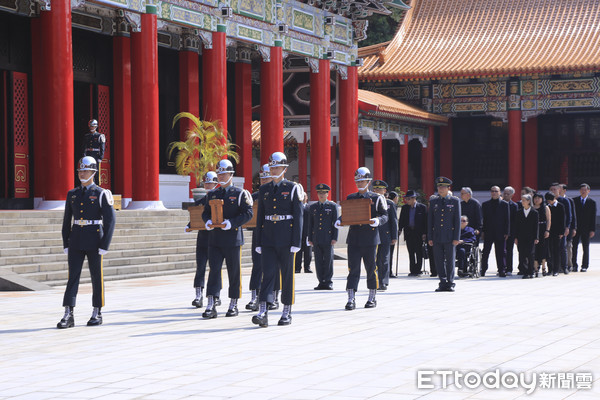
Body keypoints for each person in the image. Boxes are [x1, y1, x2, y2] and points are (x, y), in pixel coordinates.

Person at [57, 156, 116, 329]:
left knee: (96, 277)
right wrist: (65, 242)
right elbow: (67, 219)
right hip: (75, 239)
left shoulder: (101, 194)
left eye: (86, 170)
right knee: (72, 277)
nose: (82, 173)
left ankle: (97, 311)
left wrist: (105, 244)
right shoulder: (72, 194)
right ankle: (68, 313)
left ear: (93, 172)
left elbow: (111, 220)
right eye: (80, 171)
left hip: (94, 239)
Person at [253, 152, 303, 327]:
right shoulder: (264, 189)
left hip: (286, 238)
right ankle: (263, 311)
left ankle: (286, 311)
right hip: (268, 238)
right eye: (272, 167)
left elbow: (298, 217)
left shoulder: (292, 188)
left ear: (284, 169)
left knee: (287, 276)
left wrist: (296, 242)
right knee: (267, 275)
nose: (274, 170)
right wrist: (258, 241)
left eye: (277, 167)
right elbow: (260, 217)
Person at [201, 160, 253, 318]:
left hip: (232, 238)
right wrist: (208, 222)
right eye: (219, 174)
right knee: (214, 271)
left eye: (225, 173)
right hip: (215, 239)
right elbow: (205, 212)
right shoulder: (213, 194)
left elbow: (248, 213)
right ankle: (211, 302)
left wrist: (231, 223)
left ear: (231, 174)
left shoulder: (239, 193)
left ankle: (233, 302)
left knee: (234, 272)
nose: (222, 176)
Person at [335, 167, 388, 310]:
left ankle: (372, 296)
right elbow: (347, 214)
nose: (359, 183)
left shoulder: (377, 198)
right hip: (354, 239)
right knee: (353, 269)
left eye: (362, 180)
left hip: (370, 239)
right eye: (357, 181)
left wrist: (378, 220)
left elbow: (385, 215)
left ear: (368, 181)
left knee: (371, 268)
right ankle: (351, 298)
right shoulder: (351, 197)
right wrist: (339, 220)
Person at [246, 164, 279, 311]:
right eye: (262, 179)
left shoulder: (279, 193)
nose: (264, 181)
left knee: (274, 266)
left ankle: (274, 297)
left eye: (267, 178)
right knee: (257, 265)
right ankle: (254, 297)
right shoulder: (253, 198)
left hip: (275, 233)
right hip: (259, 234)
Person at [189, 171, 219, 309]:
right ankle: (198, 295)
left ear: (215, 183)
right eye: (206, 183)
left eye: (210, 183)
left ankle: (216, 296)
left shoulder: (219, 200)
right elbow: (195, 216)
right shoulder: (200, 202)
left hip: (215, 239)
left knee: (215, 269)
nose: (208, 185)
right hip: (202, 238)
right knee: (200, 267)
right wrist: (189, 225)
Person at [427, 177, 461, 292]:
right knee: (439, 260)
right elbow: (430, 221)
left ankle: (450, 282)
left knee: (450, 260)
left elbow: (457, 221)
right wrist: (430, 237)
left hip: (450, 236)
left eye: (443, 187)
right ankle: (442, 281)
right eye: (439, 186)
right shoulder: (433, 202)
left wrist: (456, 237)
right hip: (437, 236)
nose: (440, 189)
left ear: (448, 188)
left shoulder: (454, 201)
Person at [308, 183, 338, 290]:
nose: (321, 195)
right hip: (316, 238)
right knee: (319, 261)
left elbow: (335, 223)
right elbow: (310, 224)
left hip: (328, 238)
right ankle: (321, 281)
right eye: (319, 193)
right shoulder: (313, 207)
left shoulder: (332, 206)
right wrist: (310, 238)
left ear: (327, 194)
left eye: (323, 193)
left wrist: (335, 237)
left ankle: (328, 281)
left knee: (328, 260)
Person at [372, 180, 398, 289]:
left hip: (385, 235)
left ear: (385, 190)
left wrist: (394, 236)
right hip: (373, 235)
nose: (378, 191)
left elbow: (394, 220)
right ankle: (376, 281)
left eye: (380, 189)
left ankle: (383, 281)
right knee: (374, 260)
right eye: (376, 189)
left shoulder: (389, 203)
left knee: (384, 259)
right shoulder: (371, 201)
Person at [481, 186, 510, 277]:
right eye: (492, 191)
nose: (494, 193)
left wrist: (507, 232)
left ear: (499, 192)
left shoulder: (505, 204)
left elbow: (507, 219)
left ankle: (501, 270)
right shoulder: (485, 204)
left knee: (500, 252)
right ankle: (483, 269)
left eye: (496, 191)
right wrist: (483, 231)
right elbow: (483, 219)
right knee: (485, 252)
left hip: (500, 232)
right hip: (488, 232)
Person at [398, 190, 427, 276]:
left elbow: (425, 221)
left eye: (409, 199)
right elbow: (401, 220)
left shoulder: (422, 207)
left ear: (414, 198)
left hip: (418, 233)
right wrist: (399, 229)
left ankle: (418, 270)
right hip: (409, 232)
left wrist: (425, 233)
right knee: (411, 252)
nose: (407, 200)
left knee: (418, 252)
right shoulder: (405, 208)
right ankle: (412, 270)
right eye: (406, 199)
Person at [572, 183, 596, 272]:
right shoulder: (574, 201)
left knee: (585, 247)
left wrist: (592, 229)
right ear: (579, 191)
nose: (583, 191)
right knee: (574, 247)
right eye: (582, 190)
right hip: (576, 228)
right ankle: (574, 265)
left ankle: (584, 265)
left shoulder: (592, 202)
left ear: (588, 191)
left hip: (586, 228)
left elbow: (593, 217)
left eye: (585, 190)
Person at [514, 194, 539, 279]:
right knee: (522, 254)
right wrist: (516, 237)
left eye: (524, 200)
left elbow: (536, 226)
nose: (522, 202)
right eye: (522, 200)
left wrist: (536, 237)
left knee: (530, 254)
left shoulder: (534, 212)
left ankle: (531, 271)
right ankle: (525, 272)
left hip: (531, 237)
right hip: (521, 236)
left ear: (529, 201)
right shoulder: (519, 212)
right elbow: (516, 226)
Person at [550, 183, 571, 274]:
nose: (553, 191)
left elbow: (569, 215)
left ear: (559, 190)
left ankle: (564, 267)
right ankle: (554, 267)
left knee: (562, 247)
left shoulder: (564, 201)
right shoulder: (548, 201)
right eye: (551, 190)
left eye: (554, 189)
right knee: (552, 249)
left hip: (561, 228)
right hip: (551, 229)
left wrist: (567, 227)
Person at [546, 191, 566, 276]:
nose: (549, 202)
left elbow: (563, 220)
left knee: (556, 251)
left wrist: (562, 232)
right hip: (549, 231)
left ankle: (556, 269)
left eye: (550, 200)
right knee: (549, 250)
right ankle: (550, 269)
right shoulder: (547, 207)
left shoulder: (560, 206)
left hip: (557, 232)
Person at [560, 184, 577, 272]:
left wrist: (573, 228)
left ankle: (569, 264)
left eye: (560, 188)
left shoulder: (569, 200)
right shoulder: (555, 199)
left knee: (568, 246)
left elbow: (572, 215)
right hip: (559, 228)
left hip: (568, 227)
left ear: (564, 190)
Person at [82, 119, 105, 185]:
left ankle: (97, 185)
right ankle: (90, 184)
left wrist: (100, 157)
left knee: (96, 171)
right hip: (89, 155)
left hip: (96, 155)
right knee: (89, 171)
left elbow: (102, 148)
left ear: (95, 127)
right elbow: (84, 147)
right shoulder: (87, 136)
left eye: (92, 126)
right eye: (90, 126)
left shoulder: (100, 136)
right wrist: (84, 156)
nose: (91, 128)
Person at [533, 192, 551, 276]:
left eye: (539, 198)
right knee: (535, 249)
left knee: (543, 249)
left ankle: (544, 267)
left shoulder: (546, 207)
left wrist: (547, 230)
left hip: (543, 229)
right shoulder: (532, 207)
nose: (537, 200)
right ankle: (535, 268)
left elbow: (548, 220)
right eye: (535, 198)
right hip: (534, 230)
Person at [295, 190, 313, 273]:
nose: (303, 198)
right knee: (298, 251)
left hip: (307, 233)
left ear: (307, 197)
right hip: (298, 232)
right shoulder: (296, 206)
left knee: (308, 252)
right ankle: (297, 267)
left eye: (304, 196)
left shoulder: (310, 208)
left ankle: (307, 267)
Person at [502, 186, 518, 275]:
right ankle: (501, 268)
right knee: (501, 251)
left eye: (508, 194)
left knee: (509, 250)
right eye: (504, 193)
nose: (506, 195)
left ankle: (509, 269)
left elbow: (515, 221)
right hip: (501, 231)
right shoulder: (500, 204)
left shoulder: (514, 206)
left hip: (511, 232)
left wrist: (514, 234)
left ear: (512, 195)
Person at [388, 191, 400, 278]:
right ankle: (388, 271)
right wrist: (394, 236)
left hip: (387, 234)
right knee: (388, 254)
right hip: (388, 234)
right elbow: (394, 221)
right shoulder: (392, 205)